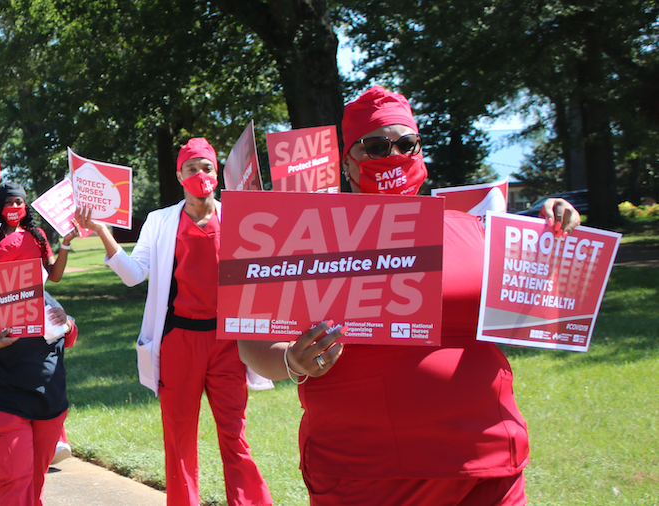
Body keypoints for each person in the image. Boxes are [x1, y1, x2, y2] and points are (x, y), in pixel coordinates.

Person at [237, 86, 582, 506]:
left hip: (489, 462)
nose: (393, 154)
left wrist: (555, 232)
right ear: (348, 162)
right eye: (376, 146)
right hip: (370, 474)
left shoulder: (472, 228)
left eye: (406, 143)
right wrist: (291, 360)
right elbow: (251, 343)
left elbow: (538, 309)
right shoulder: (305, 238)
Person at [76, 137, 273, 506]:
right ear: (179, 174)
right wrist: (104, 233)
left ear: (217, 173)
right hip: (179, 342)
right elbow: (135, 275)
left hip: (228, 344)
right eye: (191, 168)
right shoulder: (161, 221)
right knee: (179, 440)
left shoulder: (239, 216)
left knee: (235, 436)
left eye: (207, 167)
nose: (200, 174)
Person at [0, 180, 79, 506]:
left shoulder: (37, 242)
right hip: (1, 398)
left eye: (20, 203)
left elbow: (68, 332)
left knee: (33, 485)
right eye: (9, 203)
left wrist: (66, 323)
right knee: (15, 484)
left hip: (47, 401)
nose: (14, 208)